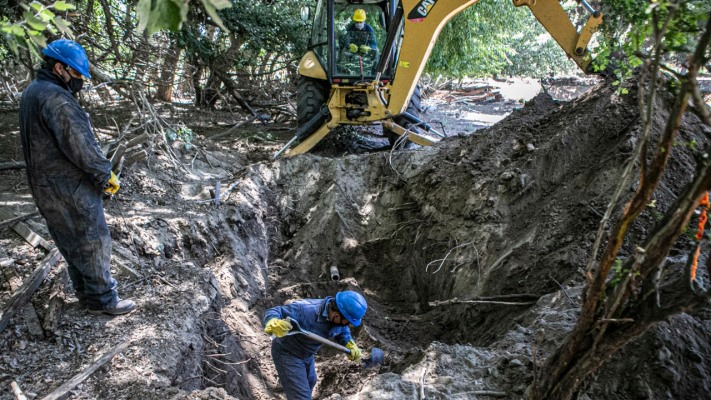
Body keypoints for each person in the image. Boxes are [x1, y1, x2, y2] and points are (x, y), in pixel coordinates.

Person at [19, 39, 136, 315]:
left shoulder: (32, 92)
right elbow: (81, 146)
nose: (80, 81)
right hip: (70, 185)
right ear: (59, 68)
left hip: (44, 184)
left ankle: (86, 296)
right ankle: (103, 300)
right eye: (76, 74)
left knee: (70, 241)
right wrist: (104, 174)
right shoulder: (57, 99)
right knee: (92, 238)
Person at [263, 290, 367, 400]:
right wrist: (272, 321)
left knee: (310, 382)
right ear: (336, 315)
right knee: (302, 397)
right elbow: (275, 311)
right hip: (287, 353)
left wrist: (349, 343)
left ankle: (288, 384)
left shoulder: (338, 319)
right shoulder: (306, 310)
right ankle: (289, 382)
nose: (347, 325)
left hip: (307, 354)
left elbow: (342, 329)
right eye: (347, 322)